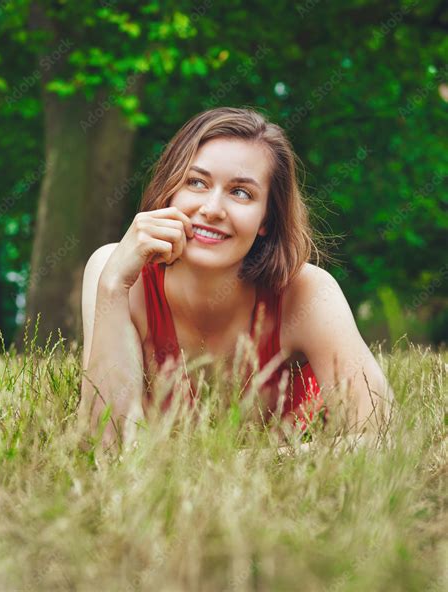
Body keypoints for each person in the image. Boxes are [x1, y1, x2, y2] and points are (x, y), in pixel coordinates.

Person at [78, 106, 394, 454]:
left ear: (266, 220)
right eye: (196, 182)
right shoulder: (117, 274)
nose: (212, 209)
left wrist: (236, 465)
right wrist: (112, 287)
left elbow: (381, 436)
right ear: (169, 192)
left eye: (241, 192)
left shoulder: (307, 293)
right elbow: (103, 444)